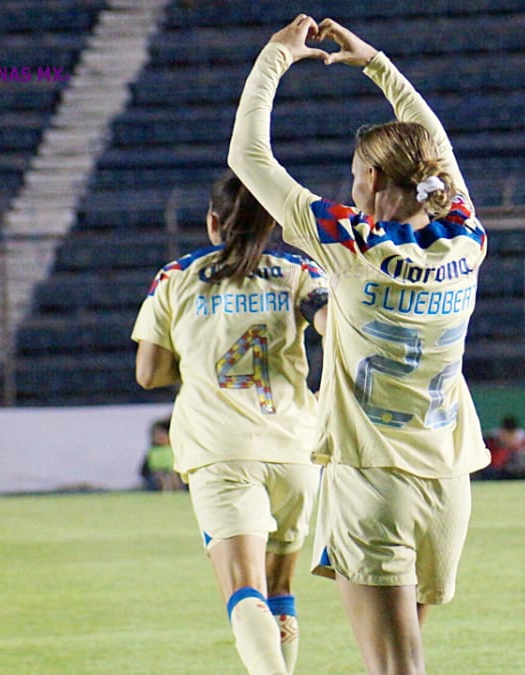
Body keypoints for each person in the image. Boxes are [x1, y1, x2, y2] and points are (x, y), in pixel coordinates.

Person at [228, 16, 489, 674]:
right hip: (449, 480)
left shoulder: (352, 242)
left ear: (373, 182)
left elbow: (248, 159)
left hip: (372, 479)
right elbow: (438, 152)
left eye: (354, 176)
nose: (349, 187)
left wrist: (273, 60)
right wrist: (378, 64)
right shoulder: (467, 236)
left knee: (395, 669)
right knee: (407, 658)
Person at [132, 172, 329, 675]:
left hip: (220, 450)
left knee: (244, 589)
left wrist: (198, 359)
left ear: (213, 223)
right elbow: (334, 328)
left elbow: (149, 373)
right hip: (293, 448)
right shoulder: (297, 271)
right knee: (279, 589)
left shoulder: (176, 276)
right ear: (270, 224)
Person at [140, 417, 182, 491]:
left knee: (173, 477)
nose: (160, 438)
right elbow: (146, 468)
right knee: (160, 478)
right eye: (157, 435)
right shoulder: (153, 451)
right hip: (157, 471)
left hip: (172, 470)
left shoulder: (173, 448)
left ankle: (176, 489)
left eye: (162, 435)